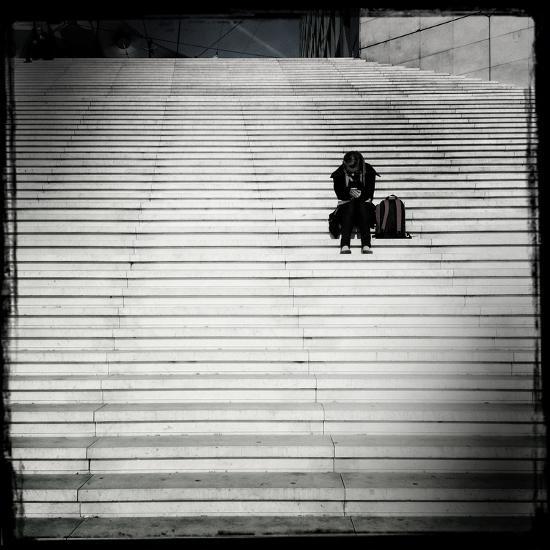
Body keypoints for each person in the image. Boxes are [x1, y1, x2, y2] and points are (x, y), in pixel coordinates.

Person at [330, 151, 379, 254]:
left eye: (353, 167)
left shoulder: (368, 170)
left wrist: (360, 195)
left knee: (361, 204)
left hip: (364, 210)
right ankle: (345, 244)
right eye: (348, 167)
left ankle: (366, 244)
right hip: (347, 211)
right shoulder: (339, 173)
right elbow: (339, 195)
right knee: (350, 205)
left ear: (359, 164)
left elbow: (370, 194)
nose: (350, 170)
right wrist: (348, 192)